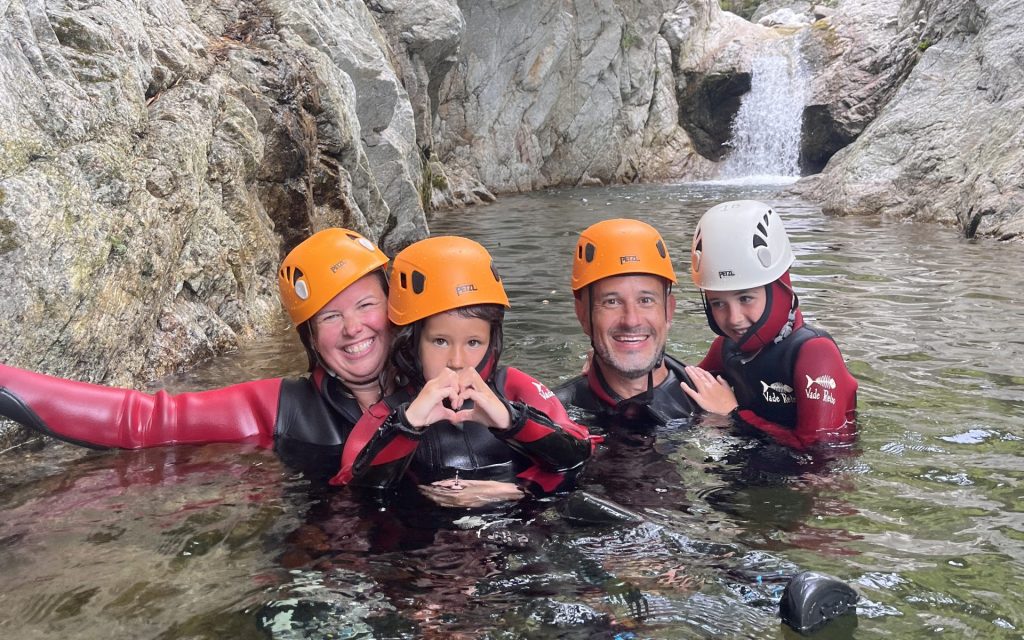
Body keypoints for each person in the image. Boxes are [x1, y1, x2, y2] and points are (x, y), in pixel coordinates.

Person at [0, 228, 397, 480]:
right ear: (310, 336)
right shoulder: (283, 408)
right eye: (329, 316)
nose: (352, 329)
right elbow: (140, 421)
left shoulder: (445, 379)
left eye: (366, 305)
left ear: (395, 307)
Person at [331, 235, 593, 508]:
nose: (456, 360)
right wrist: (408, 425)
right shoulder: (389, 413)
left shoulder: (513, 387)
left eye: (473, 342)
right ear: (412, 341)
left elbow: (580, 455)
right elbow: (353, 493)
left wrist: (511, 424)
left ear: (492, 341)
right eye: (440, 341)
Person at [682, 200, 858, 451]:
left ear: (780, 288)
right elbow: (685, 388)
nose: (733, 318)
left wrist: (732, 414)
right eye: (718, 303)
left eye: (746, 298)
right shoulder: (727, 347)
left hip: (799, 483)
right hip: (747, 469)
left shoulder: (815, 353)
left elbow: (822, 457)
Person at [554, 218, 700, 427]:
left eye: (646, 300)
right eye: (611, 302)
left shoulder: (709, 400)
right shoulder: (554, 416)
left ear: (669, 311)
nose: (631, 320)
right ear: (583, 315)